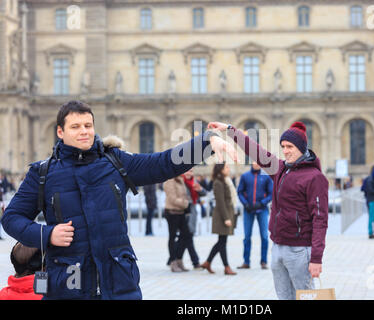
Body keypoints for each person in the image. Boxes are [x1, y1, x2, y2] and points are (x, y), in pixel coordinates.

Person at [0, 100, 236, 300]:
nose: (84, 131)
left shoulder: (116, 162)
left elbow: (163, 163)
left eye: (88, 125)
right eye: (76, 126)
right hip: (68, 284)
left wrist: (206, 143)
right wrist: (47, 234)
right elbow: (11, 218)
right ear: (60, 132)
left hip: (119, 281)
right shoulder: (43, 173)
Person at [208, 121, 329, 300]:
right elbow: (256, 150)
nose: (285, 151)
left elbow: (320, 219)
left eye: (290, 146)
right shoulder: (281, 169)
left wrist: (316, 258)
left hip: (299, 250)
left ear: (302, 148)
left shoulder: (315, 178)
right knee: (283, 297)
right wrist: (230, 130)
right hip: (278, 246)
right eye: (283, 147)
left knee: (305, 296)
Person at [199, 163, 237, 276]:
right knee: (222, 242)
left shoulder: (225, 180)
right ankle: (226, 267)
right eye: (226, 167)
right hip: (222, 215)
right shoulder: (218, 183)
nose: (228, 169)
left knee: (221, 241)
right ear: (220, 170)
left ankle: (207, 262)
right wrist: (226, 218)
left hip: (227, 213)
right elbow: (220, 202)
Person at [237, 161, 273, 270]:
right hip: (248, 210)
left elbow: (271, 193)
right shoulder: (245, 176)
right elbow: (240, 191)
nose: (256, 164)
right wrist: (245, 203)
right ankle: (246, 262)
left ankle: (263, 261)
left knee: (264, 236)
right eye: (254, 162)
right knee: (247, 236)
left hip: (262, 210)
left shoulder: (266, 177)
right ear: (251, 163)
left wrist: (262, 203)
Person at [163, 174, 193, 272]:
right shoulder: (169, 180)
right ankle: (173, 261)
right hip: (172, 212)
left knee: (186, 235)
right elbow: (172, 198)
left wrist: (185, 202)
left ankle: (179, 259)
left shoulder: (180, 179)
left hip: (181, 212)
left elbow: (184, 195)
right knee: (172, 237)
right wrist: (186, 203)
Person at [182, 169, 205, 270]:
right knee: (187, 237)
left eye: (191, 171)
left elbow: (204, 193)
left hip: (192, 212)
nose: (189, 173)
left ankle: (173, 258)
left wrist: (199, 189)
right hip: (183, 212)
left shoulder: (194, 182)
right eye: (187, 171)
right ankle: (195, 262)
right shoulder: (180, 182)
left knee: (185, 237)